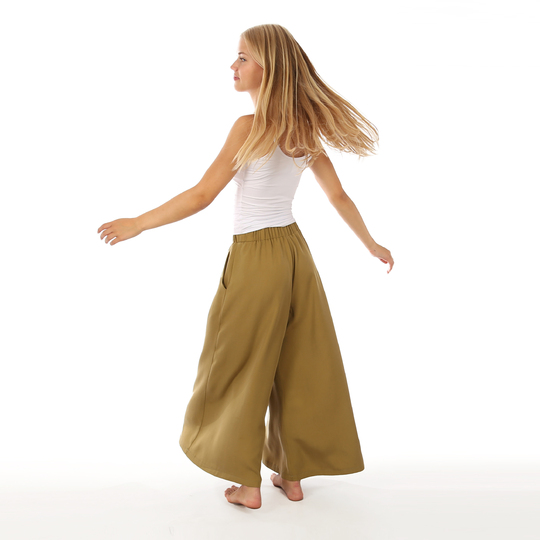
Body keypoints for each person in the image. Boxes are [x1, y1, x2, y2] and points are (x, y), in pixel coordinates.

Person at [97, 24, 394, 510]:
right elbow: (338, 196)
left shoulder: (248, 126)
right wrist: (371, 244)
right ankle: (291, 476)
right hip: (296, 256)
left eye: (242, 57)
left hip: (256, 257)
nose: (233, 66)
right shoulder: (303, 131)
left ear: (268, 68)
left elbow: (202, 195)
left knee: (237, 364)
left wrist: (139, 223)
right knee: (299, 363)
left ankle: (246, 484)